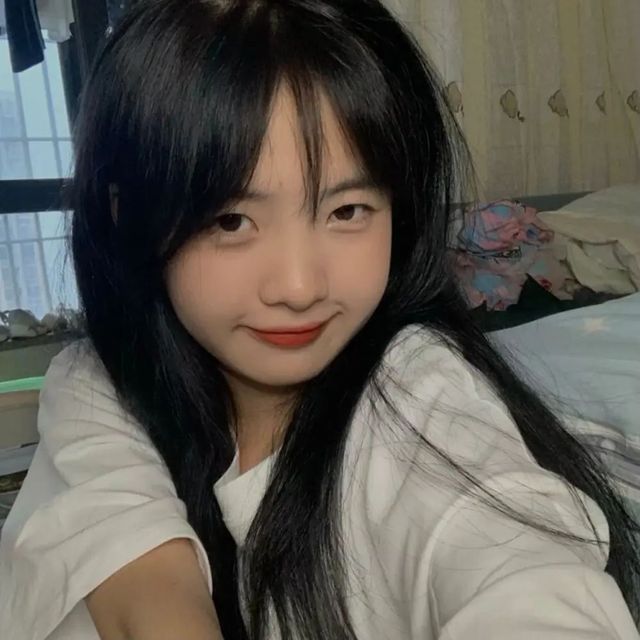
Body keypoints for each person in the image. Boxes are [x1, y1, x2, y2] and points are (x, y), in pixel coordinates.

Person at [1, 0, 639, 638]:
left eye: (347, 211)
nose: (300, 288)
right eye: (231, 221)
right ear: (126, 216)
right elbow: (142, 586)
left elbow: (518, 572)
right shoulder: (105, 378)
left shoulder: (422, 401)